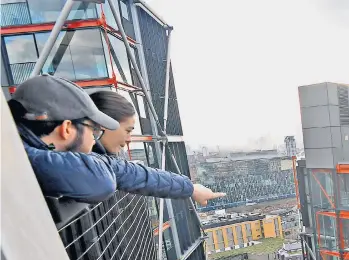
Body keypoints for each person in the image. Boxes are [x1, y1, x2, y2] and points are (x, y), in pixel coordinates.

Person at [9, 75, 224, 205]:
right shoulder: (15, 158)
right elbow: (100, 181)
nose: (95, 141)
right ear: (67, 129)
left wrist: (189, 188)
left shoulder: (24, 149)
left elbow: (126, 172)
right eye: (93, 130)